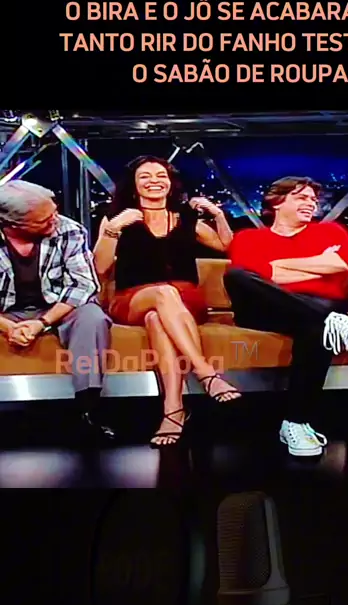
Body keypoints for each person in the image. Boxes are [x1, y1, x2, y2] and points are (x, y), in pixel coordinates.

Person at [93, 155, 241, 448]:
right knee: (163, 293)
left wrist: (218, 215)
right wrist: (114, 229)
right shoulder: (117, 219)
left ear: (171, 182)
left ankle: (173, 410)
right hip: (132, 299)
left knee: (157, 319)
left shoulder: (185, 218)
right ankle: (205, 372)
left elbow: (226, 245)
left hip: (185, 302)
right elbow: (100, 267)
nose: (154, 181)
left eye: (160, 175)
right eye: (145, 176)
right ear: (134, 185)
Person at [223, 176, 348, 457]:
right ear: (277, 202)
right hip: (264, 310)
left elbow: (343, 264)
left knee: (316, 329)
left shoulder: (330, 231)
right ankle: (332, 321)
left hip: (320, 306)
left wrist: (277, 266)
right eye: (301, 197)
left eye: (313, 199)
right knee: (236, 276)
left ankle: (296, 423)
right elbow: (253, 275)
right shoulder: (249, 237)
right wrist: (316, 266)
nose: (311, 203)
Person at [0, 180, 114, 441]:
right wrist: (8, 327)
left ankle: (88, 409)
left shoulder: (68, 229)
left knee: (92, 316)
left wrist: (41, 322)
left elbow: (84, 285)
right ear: (12, 224)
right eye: (43, 220)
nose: (55, 221)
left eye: (54, 212)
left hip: (57, 308)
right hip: (6, 313)